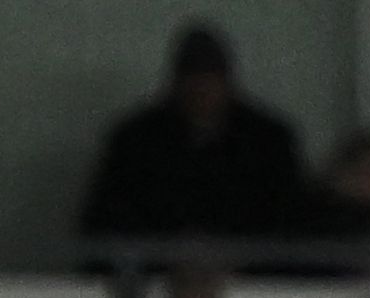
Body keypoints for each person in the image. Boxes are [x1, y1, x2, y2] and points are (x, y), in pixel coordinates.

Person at [79, 24, 308, 239]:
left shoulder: (268, 142)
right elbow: (106, 222)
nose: (201, 91)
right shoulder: (136, 141)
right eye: (193, 80)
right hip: (158, 276)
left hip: (255, 279)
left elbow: (290, 223)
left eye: (209, 80)